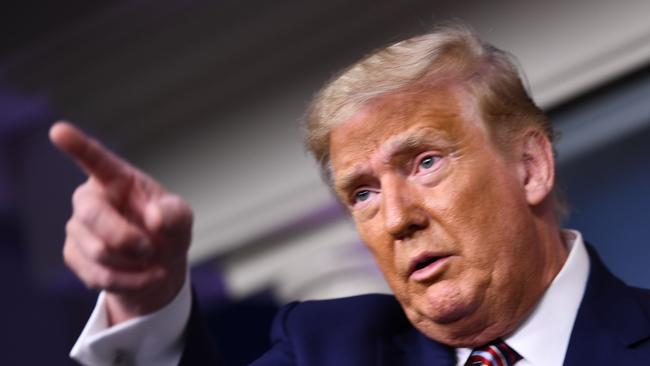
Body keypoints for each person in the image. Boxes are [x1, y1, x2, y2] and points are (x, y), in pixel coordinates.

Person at [50, 23, 650, 365]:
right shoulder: (327, 350)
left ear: (529, 168)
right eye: (361, 194)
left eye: (425, 162)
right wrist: (147, 299)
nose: (395, 219)